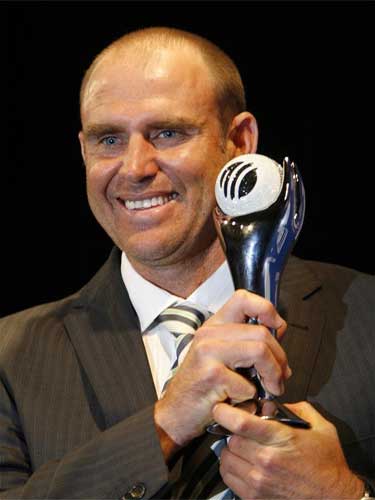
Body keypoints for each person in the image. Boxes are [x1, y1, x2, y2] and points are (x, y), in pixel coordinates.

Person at [0, 26, 374, 500]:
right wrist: (166, 421)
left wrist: (341, 493)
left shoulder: (367, 316)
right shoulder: (11, 358)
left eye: (168, 133)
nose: (135, 167)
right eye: (108, 140)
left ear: (239, 140)